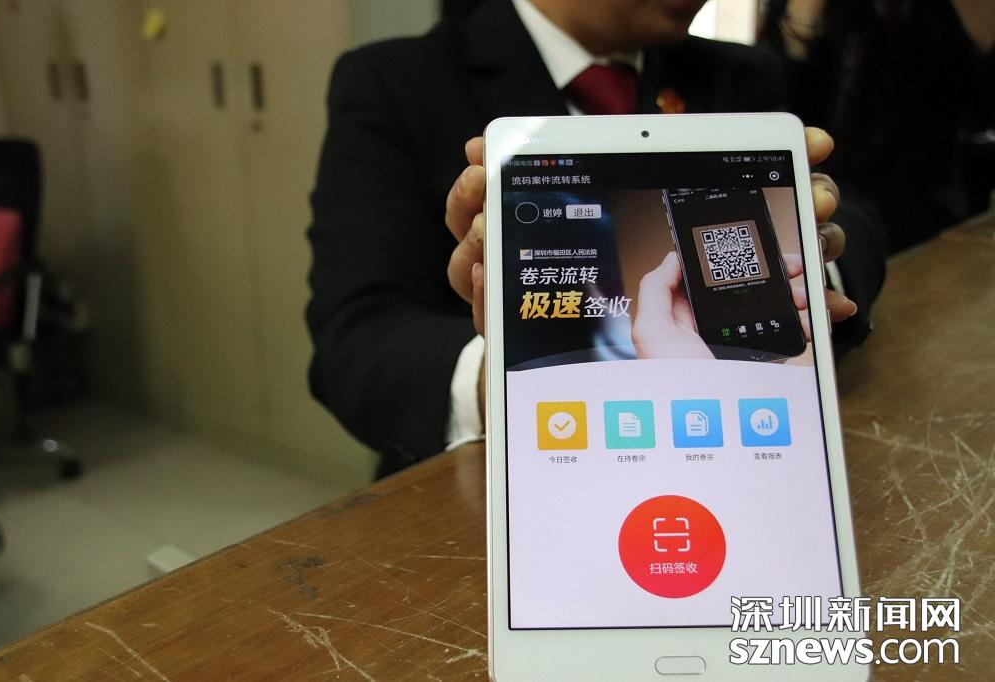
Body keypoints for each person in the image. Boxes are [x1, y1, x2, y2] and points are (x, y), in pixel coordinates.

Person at [307, 0, 886, 478]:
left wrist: (807, 260)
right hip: (491, 483)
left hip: (734, 445)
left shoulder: (739, 72)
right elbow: (354, 341)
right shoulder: (394, 81)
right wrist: (519, 371)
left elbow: (852, 212)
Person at [759, 0, 995, 251]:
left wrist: (983, 29)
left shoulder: (943, 13)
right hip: (835, 193)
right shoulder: (830, 13)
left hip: (933, 205)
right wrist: (801, 25)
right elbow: (775, 111)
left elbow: (983, 113)